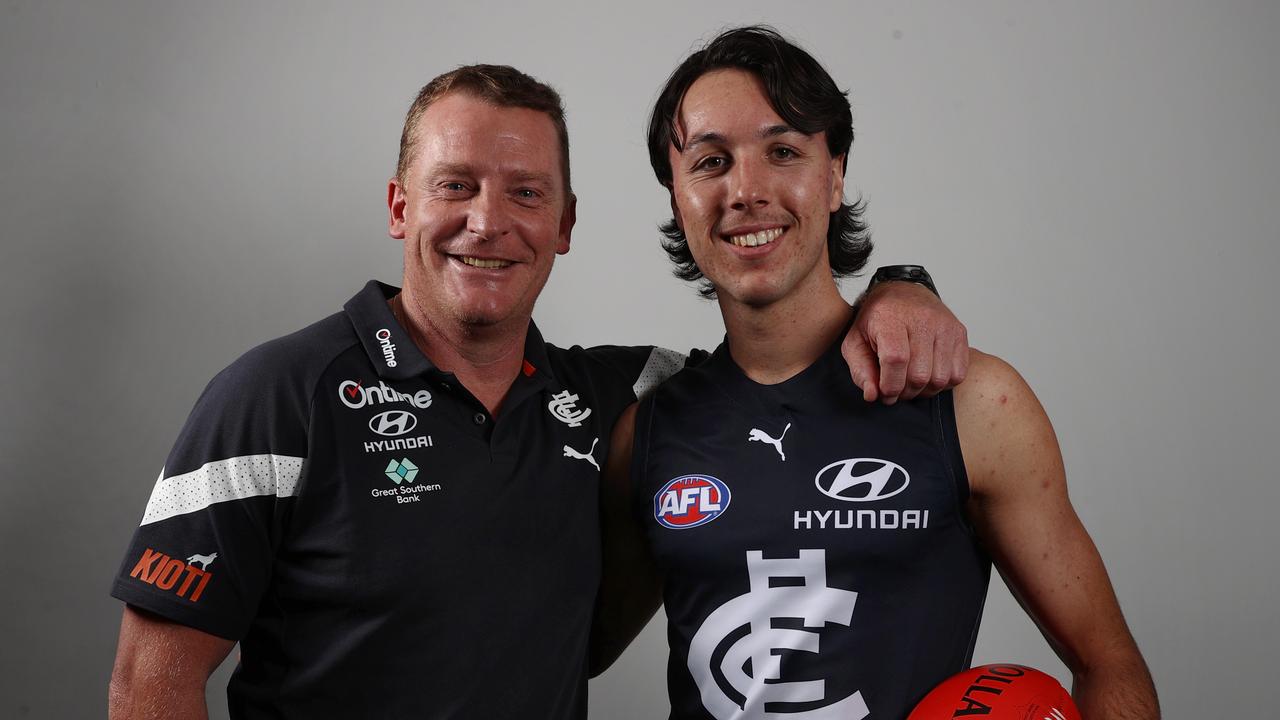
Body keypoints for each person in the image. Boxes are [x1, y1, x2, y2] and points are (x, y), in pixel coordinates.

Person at [106, 64, 969, 718]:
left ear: (564, 226)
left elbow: (783, 357)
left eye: (527, 193)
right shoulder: (275, 396)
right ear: (401, 206)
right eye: (456, 185)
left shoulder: (627, 398)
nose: (489, 221)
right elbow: (151, 684)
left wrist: (899, 287)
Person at [592, 27, 1159, 720]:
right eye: (710, 163)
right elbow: (573, 651)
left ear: (834, 176)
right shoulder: (646, 433)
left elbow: (1109, 664)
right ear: (677, 198)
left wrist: (903, 283)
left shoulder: (970, 401)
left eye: (783, 151)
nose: (746, 190)